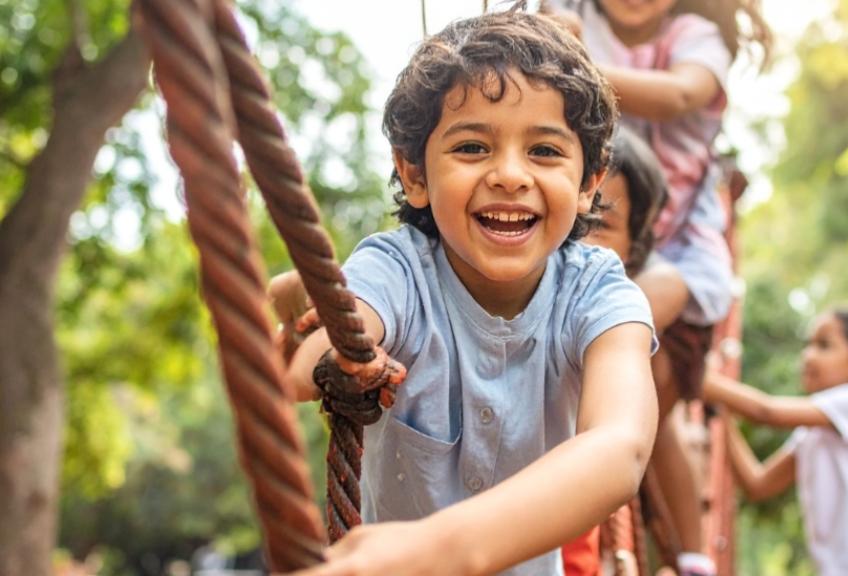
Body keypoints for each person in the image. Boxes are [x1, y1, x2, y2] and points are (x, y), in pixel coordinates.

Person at [270, 6, 660, 576]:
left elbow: (619, 447)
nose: (509, 174)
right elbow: (317, 361)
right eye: (472, 147)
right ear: (414, 175)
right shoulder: (397, 268)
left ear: (588, 184)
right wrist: (310, 316)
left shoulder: (596, 290)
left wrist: (439, 552)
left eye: (545, 151)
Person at [546, 2, 771, 574]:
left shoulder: (694, 37)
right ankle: (688, 554)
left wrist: (572, 61)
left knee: (627, 328)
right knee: (648, 406)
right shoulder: (571, 13)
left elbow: (676, 95)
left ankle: (690, 557)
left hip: (677, 250)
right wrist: (556, 35)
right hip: (593, 234)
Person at [703, 310, 848, 576]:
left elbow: (768, 412)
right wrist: (721, 411)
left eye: (824, 345)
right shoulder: (810, 434)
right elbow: (758, 484)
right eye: (808, 345)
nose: (808, 355)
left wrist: (700, 377)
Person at [562, 128, 667, 576]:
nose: (577, 242)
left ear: (632, 252)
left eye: (598, 225)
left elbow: (619, 449)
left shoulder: (613, 329)